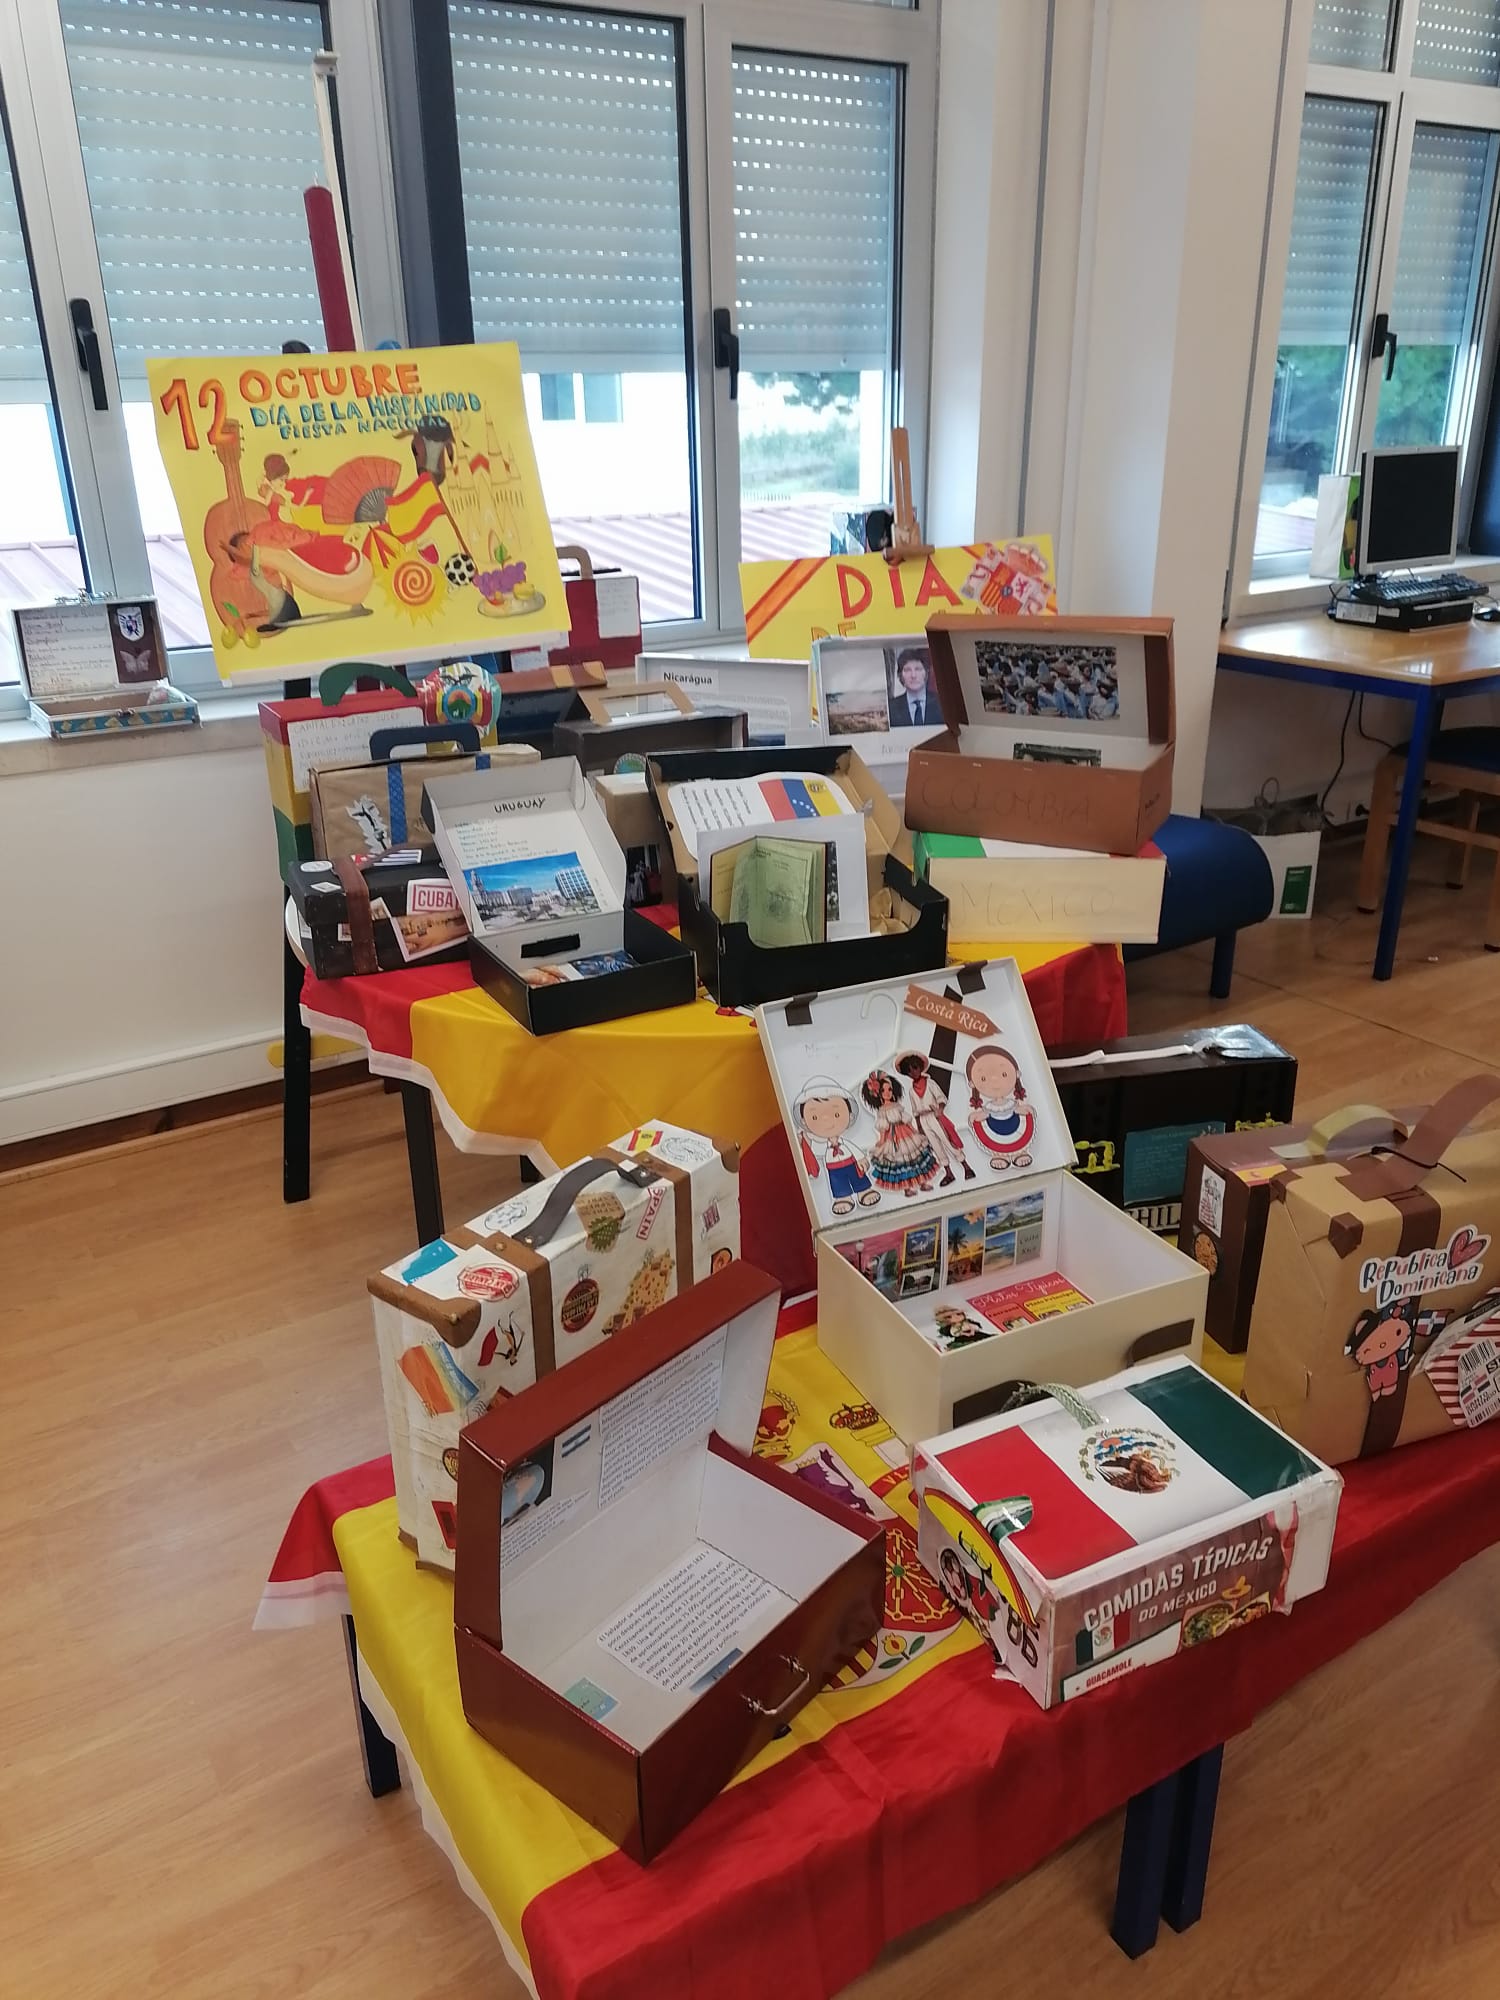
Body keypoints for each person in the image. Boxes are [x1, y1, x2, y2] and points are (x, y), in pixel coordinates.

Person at [888, 648, 936, 729]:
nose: (913, 675)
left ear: (926, 673)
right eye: (907, 670)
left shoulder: (941, 703)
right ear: (900, 675)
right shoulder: (891, 707)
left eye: (918, 669)